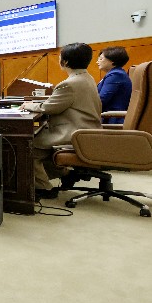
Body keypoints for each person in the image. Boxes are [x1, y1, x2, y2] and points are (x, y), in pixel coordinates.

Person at [20, 43, 102, 199]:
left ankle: (44, 189)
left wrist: (27, 105)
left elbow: (47, 108)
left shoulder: (69, 84)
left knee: (26, 148)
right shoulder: (87, 77)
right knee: (39, 143)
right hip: (86, 129)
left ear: (65, 62)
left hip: (74, 132)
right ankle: (66, 174)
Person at [96, 46, 132, 124]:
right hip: (109, 117)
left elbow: (101, 100)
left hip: (113, 120)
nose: (97, 62)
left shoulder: (115, 75)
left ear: (112, 61)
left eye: (101, 59)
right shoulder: (116, 73)